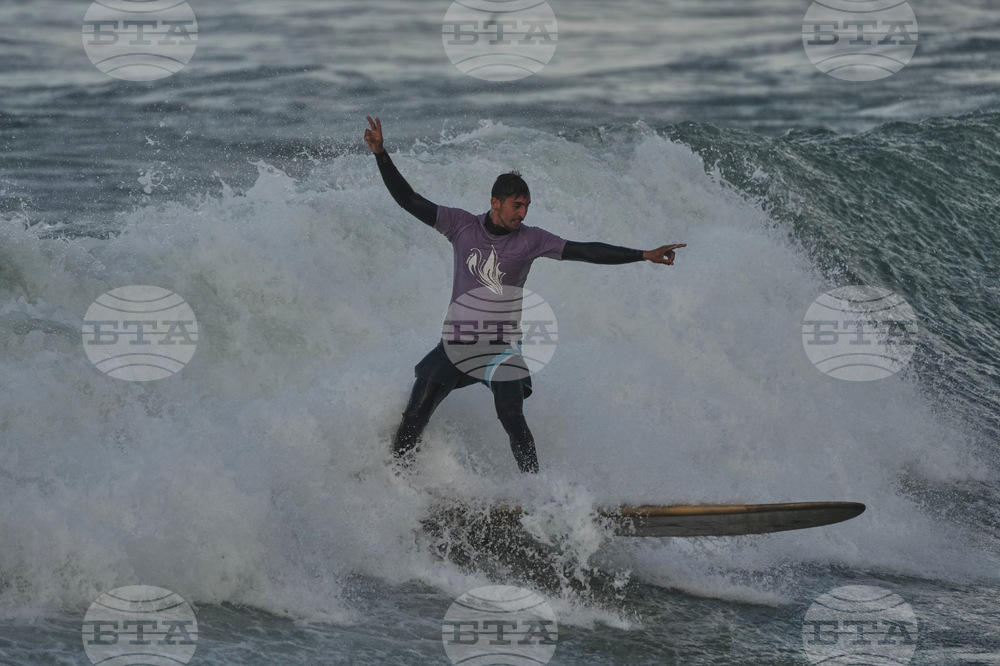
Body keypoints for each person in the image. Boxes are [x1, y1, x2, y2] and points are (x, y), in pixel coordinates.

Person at [364, 115, 686, 473]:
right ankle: (396, 480)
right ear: (495, 202)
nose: (523, 212)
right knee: (417, 410)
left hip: (500, 348)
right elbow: (408, 199)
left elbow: (586, 251)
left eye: (526, 206)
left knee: (512, 415)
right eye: (517, 205)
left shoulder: (531, 240)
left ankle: (536, 491)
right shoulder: (460, 225)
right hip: (455, 345)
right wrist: (381, 153)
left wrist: (642, 254)